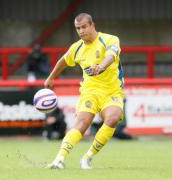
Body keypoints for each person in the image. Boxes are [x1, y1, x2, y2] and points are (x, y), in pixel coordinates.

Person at [44, 13, 124, 169]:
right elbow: (63, 61)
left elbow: (111, 56)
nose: (81, 31)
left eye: (84, 27)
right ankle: (59, 160)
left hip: (112, 91)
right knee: (82, 123)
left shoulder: (110, 39)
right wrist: (51, 77)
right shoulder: (77, 48)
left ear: (92, 25)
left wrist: (101, 66)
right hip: (90, 92)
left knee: (113, 118)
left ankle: (87, 157)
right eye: (78, 28)